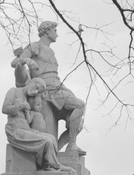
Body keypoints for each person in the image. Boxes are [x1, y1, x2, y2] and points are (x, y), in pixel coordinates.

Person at [11, 20, 86, 155]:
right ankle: (71, 144)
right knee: (79, 105)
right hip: (46, 88)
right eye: (55, 31)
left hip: (57, 86)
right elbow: (15, 62)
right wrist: (28, 60)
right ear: (47, 31)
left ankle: (59, 148)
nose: (57, 35)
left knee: (77, 121)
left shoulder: (51, 51)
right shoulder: (35, 46)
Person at [1, 78, 67, 171]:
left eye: (37, 91)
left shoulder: (28, 99)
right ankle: (54, 166)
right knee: (46, 141)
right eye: (36, 88)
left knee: (51, 138)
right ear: (31, 82)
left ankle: (47, 165)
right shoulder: (14, 91)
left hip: (26, 130)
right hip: (14, 130)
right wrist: (21, 106)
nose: (35, 92)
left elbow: (28, 119)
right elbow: (5, 109)